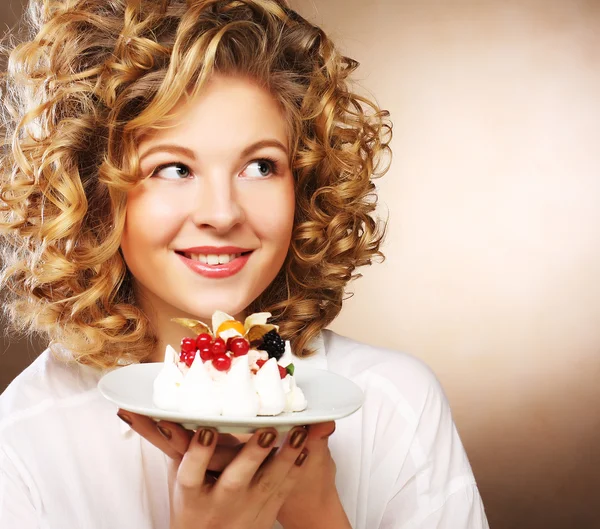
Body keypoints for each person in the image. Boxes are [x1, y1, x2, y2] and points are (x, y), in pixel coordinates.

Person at [0, 1, 489, 527]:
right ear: (95, 192)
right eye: (173, 168)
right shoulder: (23, 443)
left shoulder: (396, 404)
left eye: (260, 166)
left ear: (305, 184)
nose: (222, 213)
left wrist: (319, 513)